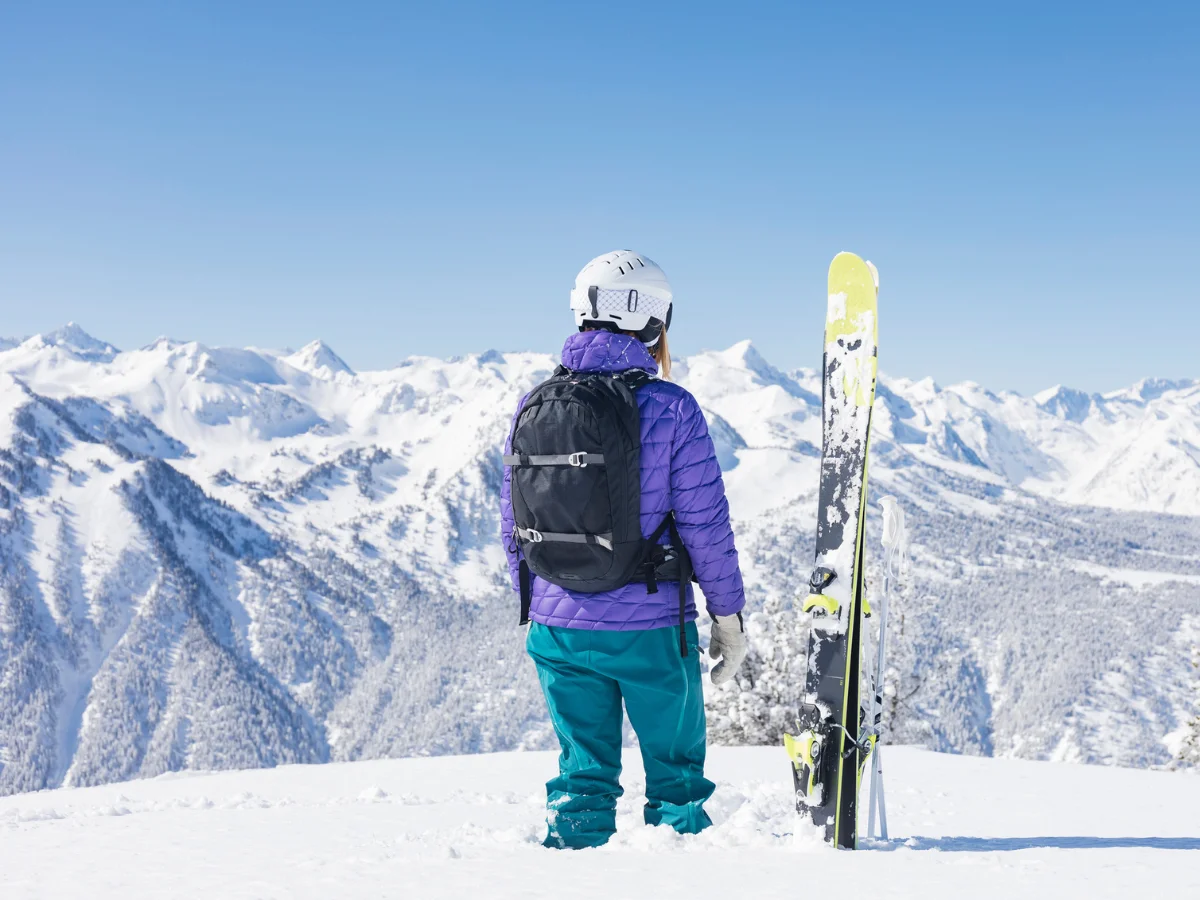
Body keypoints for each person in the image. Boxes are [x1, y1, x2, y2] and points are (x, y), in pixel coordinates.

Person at [500, 250, 747, 849]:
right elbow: (705, 527)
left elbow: (514, 524)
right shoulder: (672, 408)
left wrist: (539, 604)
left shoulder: (535, 404)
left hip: (558, 632)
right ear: (655, 324)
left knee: (581, 783)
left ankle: (569, 875)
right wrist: (728, 618)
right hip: (650, 631)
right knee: (677, 785)